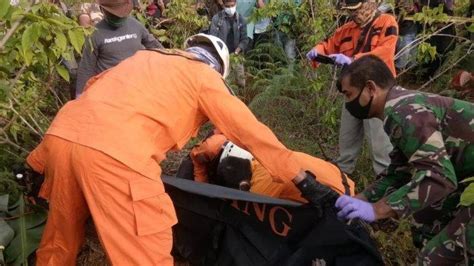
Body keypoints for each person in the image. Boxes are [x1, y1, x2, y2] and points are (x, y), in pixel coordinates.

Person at [26, 33, 335, 265]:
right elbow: (249, 132)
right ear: (218, 69)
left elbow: (88, 99)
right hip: (117, 156)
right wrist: (302, 180)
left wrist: (37, 162)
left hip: (61, 140)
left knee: (59, 240)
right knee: (149, 244)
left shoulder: (140, 59)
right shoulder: (204, 77)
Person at [334, 55, 474, 264]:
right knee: (425, 221)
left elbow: (439, 177)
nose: (348, 102)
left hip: (459, 178)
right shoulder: (402, 105)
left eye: (349, 94)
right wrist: (361, 199)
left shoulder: (403, 112)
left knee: (434, 259)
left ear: (370, 88)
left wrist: (377, 209)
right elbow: (400, 173)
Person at [306, 0, 398, 177]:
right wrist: (317, 51)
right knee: (347, 140)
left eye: (356, 10)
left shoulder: (386, 22)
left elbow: (386, 51)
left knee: (379, 143)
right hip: (352, 91)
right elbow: (328, 44)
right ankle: (342, 179)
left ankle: (386, 182)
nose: (354, 14)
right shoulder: (347, 29)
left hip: (377, 92)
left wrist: (355, 59)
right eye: (350, 11)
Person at [187, 133, 355, 202]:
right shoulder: (266, 153)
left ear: (243, 185)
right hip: (346, 183)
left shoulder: (259, 191)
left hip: (338, 207)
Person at [75, 0, 163, 97]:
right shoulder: (95, 34)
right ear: (102, 10)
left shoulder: (135, 25)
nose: (118, 17)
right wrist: (80, 96)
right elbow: (86, 68)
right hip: (109, 92)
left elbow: (154, 45)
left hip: (136, 87)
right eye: (113, 14)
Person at [209, 0, 249, 88]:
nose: (230, 8)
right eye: (228, 6)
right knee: (226, 83)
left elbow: (245, 39)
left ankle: (241, 98)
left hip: (236, 55)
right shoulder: (217, 19)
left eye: (232, 5)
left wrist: (238, 49)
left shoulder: (241, 19)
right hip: (222, 56)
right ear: (223, 5)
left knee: (241, 82)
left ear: (236, 4)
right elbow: (212, 38)